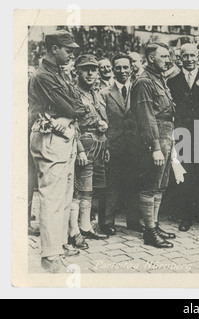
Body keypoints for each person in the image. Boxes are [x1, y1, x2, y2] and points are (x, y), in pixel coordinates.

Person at [29, 30, 86, 273]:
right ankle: (50, 257)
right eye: (67, 49)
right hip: (50, 137)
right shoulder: (44, 75)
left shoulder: (58, 72)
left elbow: (79, 104)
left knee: (63, 196)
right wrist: (68, 113)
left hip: (63, 137)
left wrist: (67, 114)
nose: (72, 53)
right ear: (53, 48)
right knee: (52, 198)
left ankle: (59, 246)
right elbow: (73, 106)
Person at [167, 43, 199, 232]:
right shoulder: (172, 82)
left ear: (197, 56)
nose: (189, 59)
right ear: (180, 58)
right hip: (183, 135)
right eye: (185, 56)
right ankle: (186, 216)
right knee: (185, 175)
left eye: (192, 56)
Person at [130, 43, 177, 249]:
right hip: (155, 137)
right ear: (150, 58)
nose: (168, 60)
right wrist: (156, 146)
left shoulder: (159, 79)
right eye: (164, 56)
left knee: (161, 184)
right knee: (150, 185)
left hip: (166, 134)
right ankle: (149, 231)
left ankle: (154, 225)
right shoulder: (144, 82)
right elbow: (147, 117)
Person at [70, 54, 110, 249]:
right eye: (86, 69)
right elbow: (73, 124)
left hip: (98, 145)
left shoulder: (96, 93)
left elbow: (101, 117)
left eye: (93, 69)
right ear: (77, 71)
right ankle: (73, 231)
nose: (90, 73)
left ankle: (85, 226)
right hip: (83, 146)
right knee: (77, 191)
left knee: (89, 190)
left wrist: (105, 130)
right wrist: (79, 150)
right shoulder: (74, 93)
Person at [100, 54, 142, 234]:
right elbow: (102, 121)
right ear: (113, 69)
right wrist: (107, 145)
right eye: (118, 68)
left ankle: (133, 220)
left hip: (135, 145)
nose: (122, 71)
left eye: (126, 67)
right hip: (114, 145)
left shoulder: (139, 90)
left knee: (134, 183)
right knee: (112, 185)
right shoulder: (105, 93)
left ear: (131, 68)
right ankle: (107, 222)